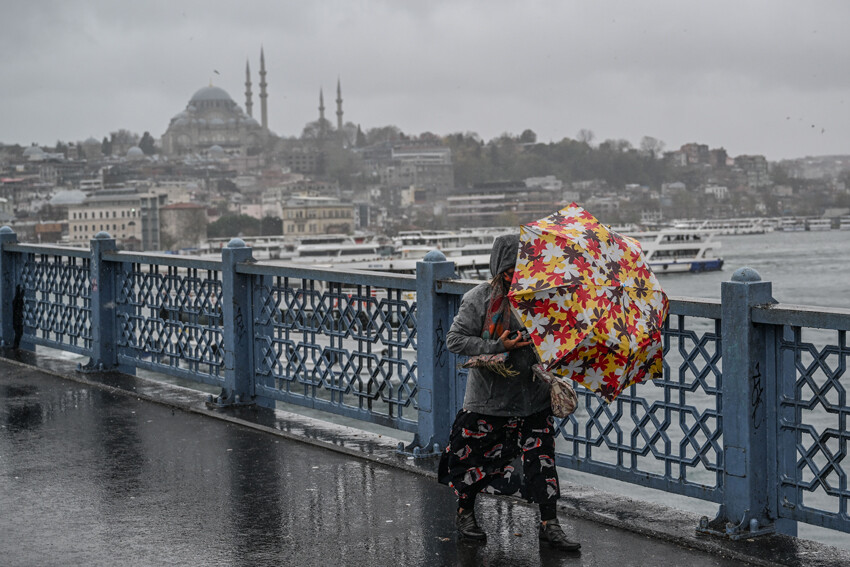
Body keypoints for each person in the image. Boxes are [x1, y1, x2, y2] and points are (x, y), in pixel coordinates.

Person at [438, 234, 581, 551]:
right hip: (489, 400)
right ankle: (465, 514)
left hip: (533, 398)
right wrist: (498, 345)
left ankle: (549, 524)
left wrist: (553, 348)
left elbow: (556, 341)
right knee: (472, 459)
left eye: (522, 269)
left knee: (542, 461)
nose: (517, 276)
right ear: (499, 270)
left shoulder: (541, 300)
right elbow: (454, 340)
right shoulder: (479, 300)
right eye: (510, 270)